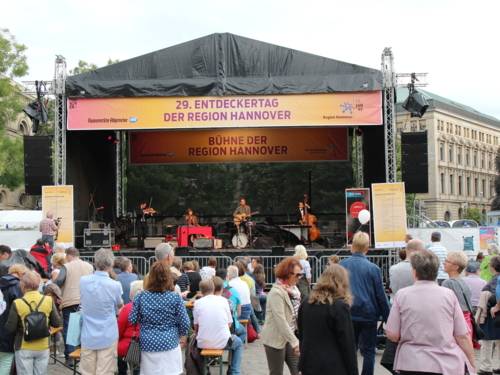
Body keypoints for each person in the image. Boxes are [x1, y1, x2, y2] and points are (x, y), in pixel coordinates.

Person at [386, 250, 476, 375]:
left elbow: (392, 334)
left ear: (414, 271)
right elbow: (462, 336)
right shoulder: (448, 295)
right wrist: (472, 363)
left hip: (411, 362)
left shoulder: (402, 295)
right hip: (445, 363)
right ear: (436, 271)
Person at [339, 231, 389, 375]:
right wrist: (388, 318)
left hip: (347, 313)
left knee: (349, 350)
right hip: (368, 314)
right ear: (367, 248)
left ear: (352, 246)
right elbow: (380, 296)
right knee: (368, 351)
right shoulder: (373, 269)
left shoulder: (342, 265)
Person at [129, 262, 190, 375]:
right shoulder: (175, 297)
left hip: (148, 343)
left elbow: (132, 319)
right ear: (168, 277)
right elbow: (185, 323)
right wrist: (180, 335)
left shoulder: (140, 296)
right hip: (170, 342)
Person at [298, 264, 357, 375]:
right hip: (333, 366)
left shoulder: (306, 303)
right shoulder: (339, 307)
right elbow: (347, 343)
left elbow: (301, 334)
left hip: (309, 363)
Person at [5, 271, 62, 375]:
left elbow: (10, 328)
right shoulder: (48, 300)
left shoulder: (17, 303)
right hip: (43, 345)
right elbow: (57, 323)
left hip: (23, 346)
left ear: (22, 285)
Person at [80, 248, 123, 375]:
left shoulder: (83, 281)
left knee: (87, 371)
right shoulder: (115, 285)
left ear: (95, 262)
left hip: (88, 334)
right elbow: (119, 306)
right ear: (111, 264)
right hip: (107, 333)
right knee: (105, 371)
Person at [261, 258, 302, 375]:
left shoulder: (294, 290)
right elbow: (281, 320)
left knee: (298, 370)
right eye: (297, 275)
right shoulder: (276, 292)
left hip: (289, 336)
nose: (299, 277)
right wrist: (295, 342)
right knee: (276, 373)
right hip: (275, 339)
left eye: (301, 274)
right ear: (287, 274)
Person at [193, 278, 243, 375]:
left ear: (201, 291)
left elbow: (196, 327)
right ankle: (234, 372)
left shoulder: (197, 303)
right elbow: (229, 323)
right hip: (223, 341)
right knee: (239, 343)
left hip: (203, 343)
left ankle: (205, 370)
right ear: (213, 288)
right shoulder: (224, 301)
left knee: (193, 343)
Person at [54, 247, 94, 366]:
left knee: (70, 329)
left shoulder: (66, 266)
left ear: (68, 256)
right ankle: (84, 356)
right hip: (86, 301)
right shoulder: (89, 266)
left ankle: (70, 357)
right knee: (85, 328)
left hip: (70, 301)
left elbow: (59, 282)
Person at [0, 264, 27, 374]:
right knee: (5, 360)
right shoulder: (17, 286)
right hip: (7, 330)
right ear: (22, 274)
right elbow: (20, 310)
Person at [476, 255, 500, 374]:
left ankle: (486, 367)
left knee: (487, 341)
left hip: (492, 314)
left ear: (492, 267)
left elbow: (496, 294)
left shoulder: (495, 280)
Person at [442, 251, 474, 337]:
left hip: (456, 324)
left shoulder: (447, 283)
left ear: (455, 267)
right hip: (467, 323)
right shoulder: (463, 282)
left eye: (447, 261)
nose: (444, 263)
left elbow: (445, 307)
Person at [117, 280, 143, 375]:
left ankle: (122, 372)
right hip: (144, 344)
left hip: (128, 344)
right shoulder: (150, 306)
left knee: (119, 351)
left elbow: (119, 330)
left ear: (132, 293)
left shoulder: (127, 308)